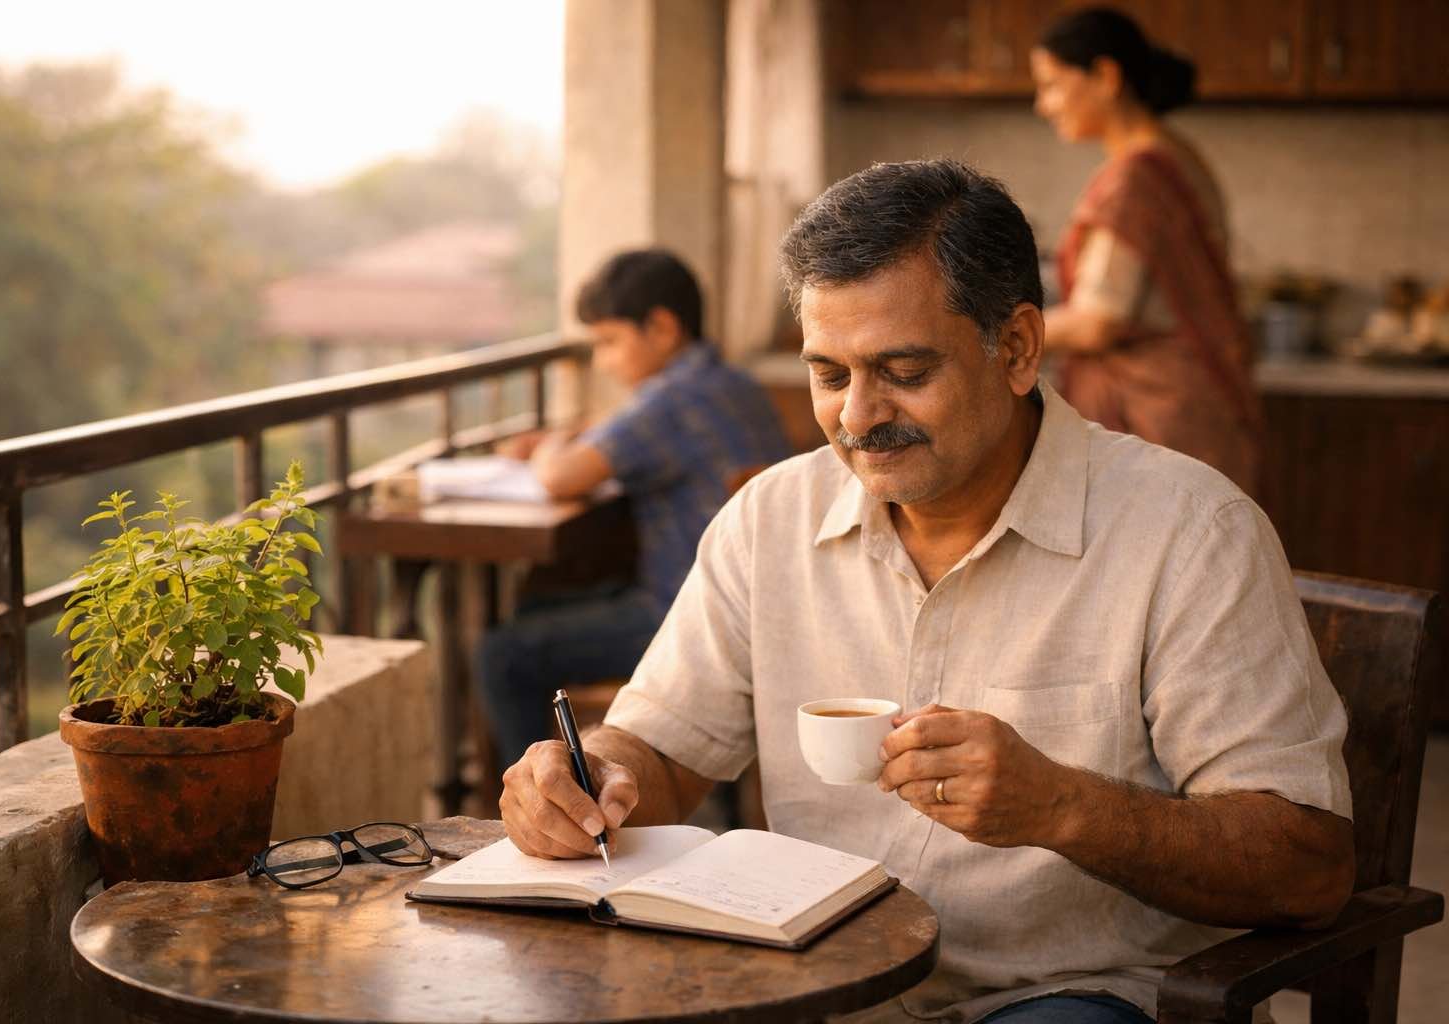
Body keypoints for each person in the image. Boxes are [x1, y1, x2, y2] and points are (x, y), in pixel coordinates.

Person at [498, 161, 1353, 1023]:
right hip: (818, 984)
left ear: (1016, 348)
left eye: (903, 372)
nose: (859, 417)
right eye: (829, 375)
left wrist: (1063, 806)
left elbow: (1308, 865)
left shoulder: (1187, 532)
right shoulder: (771, 520)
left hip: (1070, 995)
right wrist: (590, 777)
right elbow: (667, 750)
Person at [474, 248, 790, 770]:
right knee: (533, 613)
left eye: (609, 341)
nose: (600, 361)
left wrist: (551, 442)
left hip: (686, 615)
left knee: (503, 654)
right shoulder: (732, 383)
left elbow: (561, 476)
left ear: (662, 327)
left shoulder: (673, 397)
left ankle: (539, 800)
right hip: (756, 607)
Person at [1031, 7, 1262, 496]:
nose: (1043, 105)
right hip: (1197, 397)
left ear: (1105, 75)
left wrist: (994, 335)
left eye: (1051, 84)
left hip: (1159, 414)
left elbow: (1098, 321)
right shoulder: (1177, 155)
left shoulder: (1136, 178)